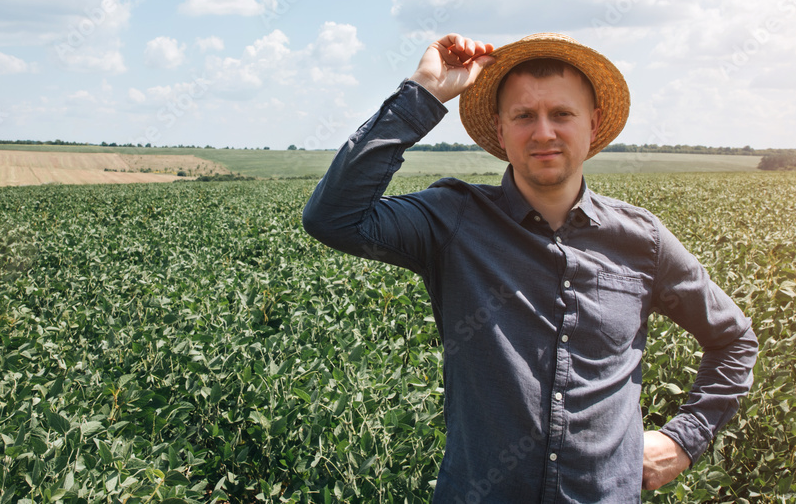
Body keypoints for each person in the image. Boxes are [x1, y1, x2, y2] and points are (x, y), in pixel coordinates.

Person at [302, 32, 758, 502]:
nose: (543, 132)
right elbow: (334, 218)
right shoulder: (453, 220)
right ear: (500, 131)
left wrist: (685, 438)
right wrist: (424, 93)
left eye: (562, 113)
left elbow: (733, 340)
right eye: (523, 116)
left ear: (593, 124)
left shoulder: (643, 241)